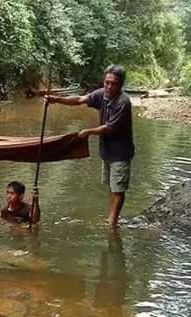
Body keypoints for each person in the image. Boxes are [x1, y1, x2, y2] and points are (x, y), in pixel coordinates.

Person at [45, 64, 134, 228]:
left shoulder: (123, 102)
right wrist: (56, 100)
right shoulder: (102, 94)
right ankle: (112, 218)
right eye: (107, 82)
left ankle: (113, 223)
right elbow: (79, 99)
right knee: (112, 186)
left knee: (118, 188)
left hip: (121, 152)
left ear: (120, 84)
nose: (109, 86)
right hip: (107, 151)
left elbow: (109, 127)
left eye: (113, 83)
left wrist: (89, 131)